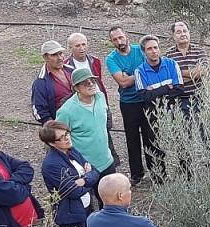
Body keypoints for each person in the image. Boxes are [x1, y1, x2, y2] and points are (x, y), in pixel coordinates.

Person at [55, 68, 116, 209]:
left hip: (107, 160)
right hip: (86, 167)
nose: (91, 85)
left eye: (92, 81)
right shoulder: (67, 111)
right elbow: (58, 137)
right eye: (85, 83)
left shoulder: (100, 97)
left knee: (110, 201)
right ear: (76, 88)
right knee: (86, 204)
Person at [39, 120, 100, 227]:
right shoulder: (52, 165)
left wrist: (83, 180)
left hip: (85, 207)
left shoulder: (71, 151)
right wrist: (88, 177)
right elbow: (73, 191)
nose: (67, 138)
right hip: (71, 214)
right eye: (61, 137)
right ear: (51, 143)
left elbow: (95, 171)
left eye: (67, 133)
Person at [65, 32, 120, 165]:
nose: (81, 48)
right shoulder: (66, 65)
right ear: (70, 48)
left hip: (99, 102)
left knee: (104, 131)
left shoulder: (94, 60)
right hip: (82, 105)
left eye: (84, 44)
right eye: (77, 45)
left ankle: (110, 161)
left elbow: (98, 80)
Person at [135, 34, 184, 183]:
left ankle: (185, 176)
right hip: (153, 114)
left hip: (173, 110)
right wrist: (167, 87)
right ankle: (160, 180)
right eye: (149, 49)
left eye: (155, 47)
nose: (154, 51)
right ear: (144, 52)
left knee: (181, 144)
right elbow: (144, 95)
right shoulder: (139, 71)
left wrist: (155, 92)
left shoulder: (171, 64)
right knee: (156, 148)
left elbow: (179, 88)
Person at [106, 26, 148, 185]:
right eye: (115, 39)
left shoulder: (140, 50)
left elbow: (151, 71)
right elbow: (122, 83)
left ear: (127, 36)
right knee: (132, 139)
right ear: (111, 41)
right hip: (128, 103)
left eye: (121, 37)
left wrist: (131, 76)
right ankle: (137, 174)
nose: (119, 41)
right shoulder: (111, 59)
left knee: (151, 137)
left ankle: (157, 171)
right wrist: (141, 73)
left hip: (146, 100)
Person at [164, 21, 209, 118]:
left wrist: (179, 72)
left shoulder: (199, 51)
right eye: (178, 32)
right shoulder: (168, 55)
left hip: (198, 100)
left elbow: (203, 71)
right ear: (173, 36)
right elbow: (169, 78)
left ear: (189, 33)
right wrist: (194, 75)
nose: (182, 34)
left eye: (185, 31)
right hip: (177, 101)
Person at [32, 40, 74, 124]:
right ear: (45, 57)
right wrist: (53, 127)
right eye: (54, 55)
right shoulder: (41, 82)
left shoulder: (72, 71)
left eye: (60, 53)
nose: (60, 58)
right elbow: (39, 110)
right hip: (62, 126)